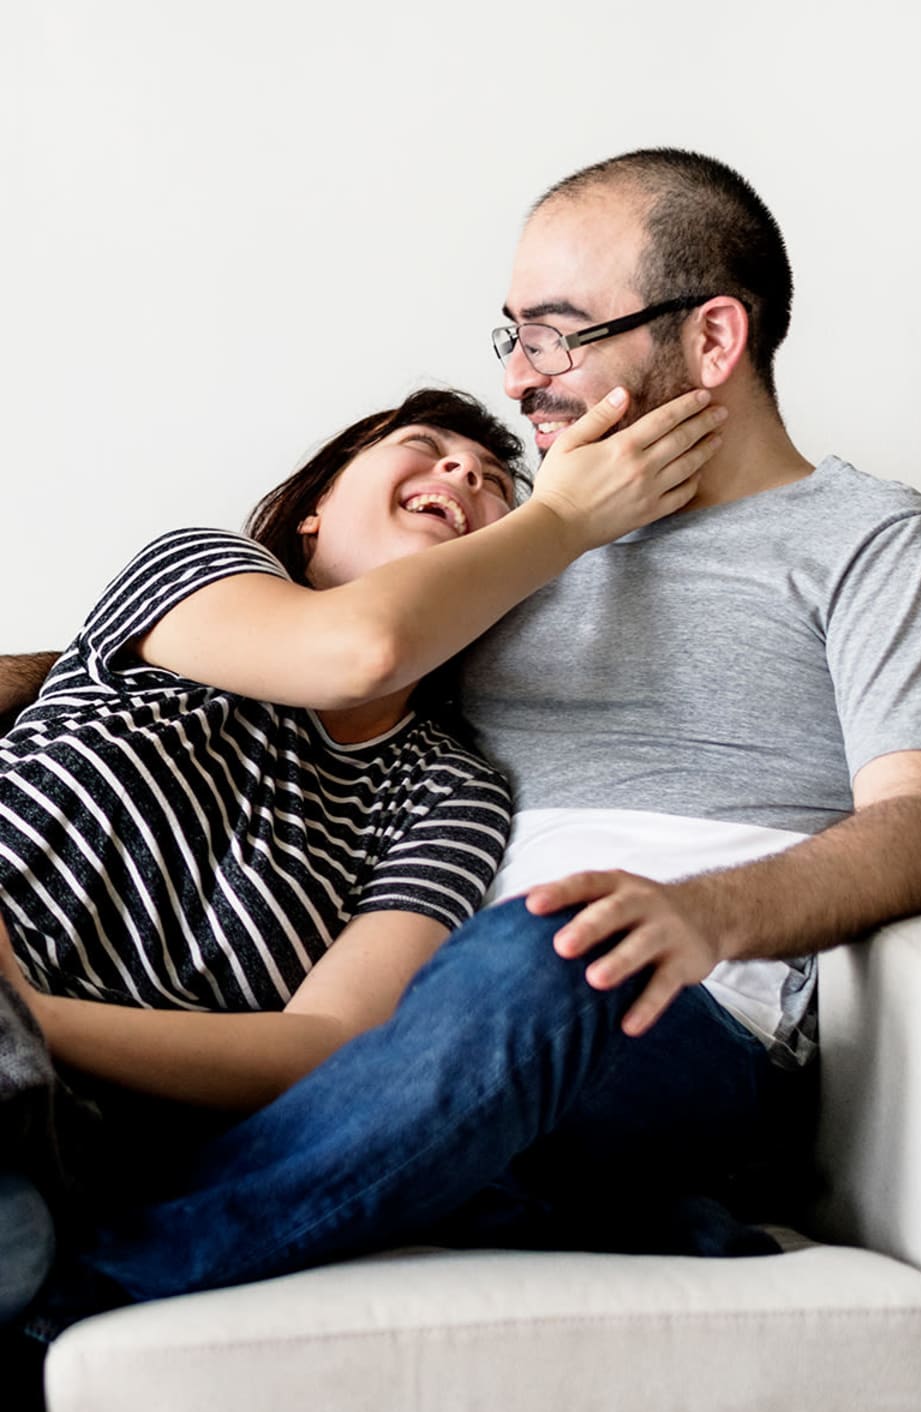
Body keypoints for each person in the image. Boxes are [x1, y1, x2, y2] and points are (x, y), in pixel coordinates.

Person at [3, 146, 921, 1330]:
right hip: (423, 1026)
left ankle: (74, 1291)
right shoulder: (523, 549)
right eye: (511, 335)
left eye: (556, 333)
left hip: (674, 1006)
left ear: (714, 340)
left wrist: (699, 915)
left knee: (545, 948)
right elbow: (318, 648)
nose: (523, 382)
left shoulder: (871, 539)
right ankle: (588, 1206)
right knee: (465, 999)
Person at [0, 377, 724, 1337]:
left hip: (76, 1137)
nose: (465, 470)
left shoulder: (452, 793)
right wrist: (565, 515)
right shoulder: (190, 574)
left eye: (499, 486)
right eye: (423, 445)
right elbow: (362, 647)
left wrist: (44, 1020)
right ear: (310, 514)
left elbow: (329, 1047)